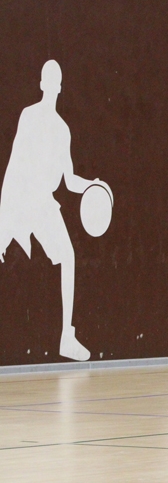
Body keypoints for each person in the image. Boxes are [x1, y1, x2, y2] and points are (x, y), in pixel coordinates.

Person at [0, 60, 111, 362]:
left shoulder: (63, 130)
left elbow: (69, 180)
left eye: (55, 80)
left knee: (69, 256)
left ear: (59, 87)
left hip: (43, 202)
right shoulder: (28, 115)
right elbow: (14, 164)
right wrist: (4, 217)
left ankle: (66, 337)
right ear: (42, 84)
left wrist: (92, 185)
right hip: (22, 196)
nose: (51, 84)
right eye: (47, 79)